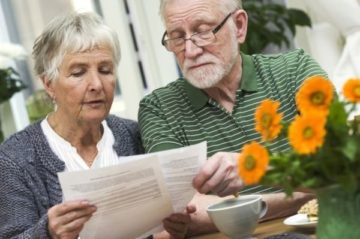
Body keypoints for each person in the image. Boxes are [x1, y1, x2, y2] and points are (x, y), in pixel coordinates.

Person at [138, 0, 326, 237]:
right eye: (177, 36)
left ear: (239, 26)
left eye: (203, 31)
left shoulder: (295, 71)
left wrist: (258, 169)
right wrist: (307, 195)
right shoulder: (159, 108)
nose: (191, 50)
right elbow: (188, 214)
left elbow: (341, 169)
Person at [0, 12, 188, 239]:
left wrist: (177, 227)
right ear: (49, 84)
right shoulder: (14, 158)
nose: (97, 84)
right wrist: (48, 232)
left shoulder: (136, 134)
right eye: (78, 73)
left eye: (105, 70)